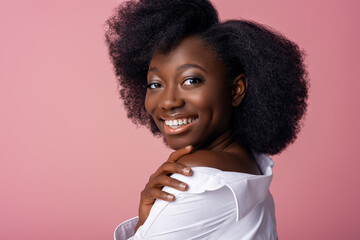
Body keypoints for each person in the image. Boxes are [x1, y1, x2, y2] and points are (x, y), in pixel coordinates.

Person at [105, 0, 309, 239]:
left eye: (191, 80)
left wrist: (143, 223)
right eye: (155, 84)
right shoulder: (250, 165)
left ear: (235, 90)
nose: (168, 101)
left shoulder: (198, 179)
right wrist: (147, 218)